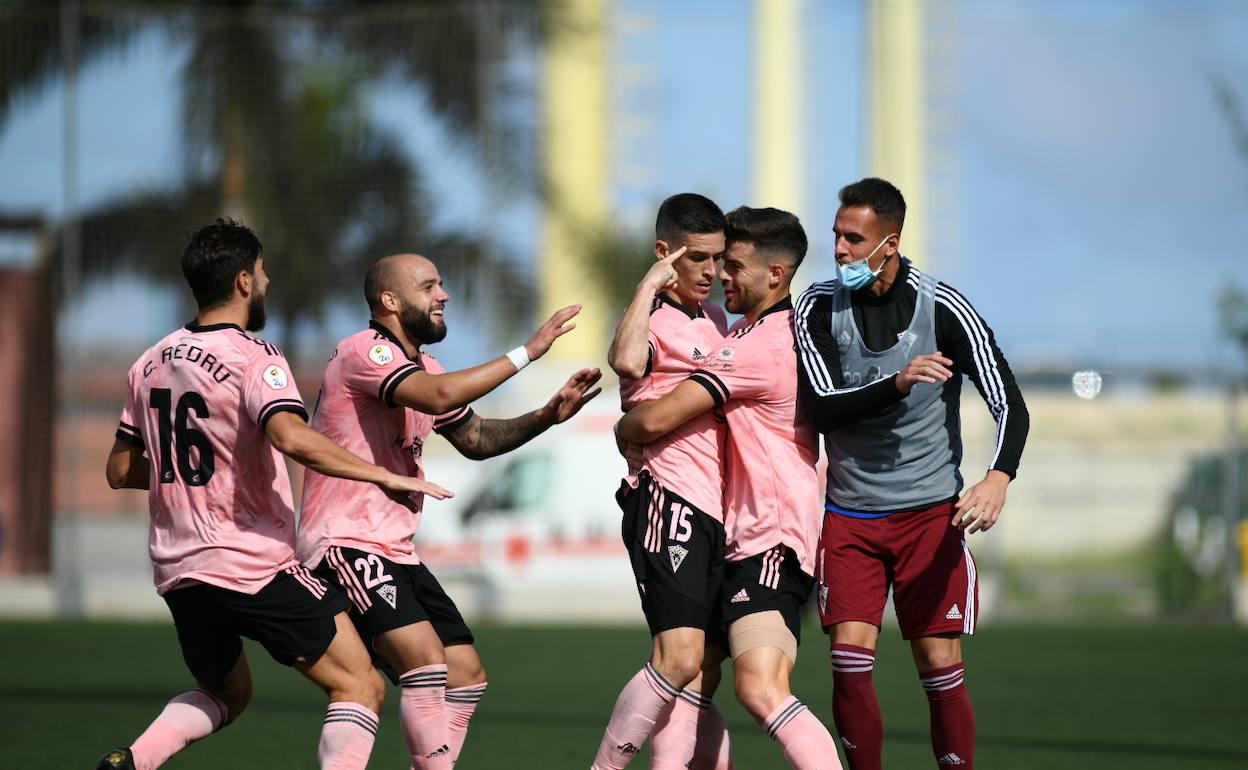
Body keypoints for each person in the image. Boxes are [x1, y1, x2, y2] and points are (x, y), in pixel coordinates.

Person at [98, 218, 448, 770]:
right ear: (242, 281)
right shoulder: (254, 356)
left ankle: (131, 761)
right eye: (261, 273)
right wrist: (381, 474)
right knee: (359, 684)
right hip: (251, 565)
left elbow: (121, 470)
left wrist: (199, 472)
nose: (265, 282)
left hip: (178, 570)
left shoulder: (149, 363)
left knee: (225, 694)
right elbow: (291, 436)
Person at [298, 252, 602, 769]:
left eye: (441, 284)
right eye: (428, 286)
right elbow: (438, 397)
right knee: (424, 662)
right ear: (390, 301)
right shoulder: (364, 352)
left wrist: (546, 416)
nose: (444, 295)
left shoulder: (425, 367)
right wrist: (528, 352)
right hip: (343, 541)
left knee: (465, 674)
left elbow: (477, 438)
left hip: (394, 549)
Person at [793, 177, 1030, 770]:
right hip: (849, 516)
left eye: (854, 238)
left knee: (937, 666)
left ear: (889, 242)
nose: (840, 249)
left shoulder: (943, 308)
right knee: (848, 666)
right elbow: (822, 405)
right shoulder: (817, 305)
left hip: (930, 516)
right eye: (836, 236)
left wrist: (998, 475)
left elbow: (1010, 404)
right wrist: (897, 381)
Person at [618, 206, 843, 770]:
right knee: (692, 678)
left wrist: (626, 428)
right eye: (716, 260)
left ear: (776, 274)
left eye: (733, 264)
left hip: (768, 538)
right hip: (740, 536)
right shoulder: (755, 332)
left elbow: (649, 421)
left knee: (760, 688)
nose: (722, 274)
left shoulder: (758, 345)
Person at [591, 193, 733, 770]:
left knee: (704, 669)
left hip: (720, 509)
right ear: (665, 254)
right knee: (677, 659)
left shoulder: (719, 320)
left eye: (719, 259)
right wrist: (648, 287)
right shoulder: (650, 319)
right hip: (667, 499)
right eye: (698, 258)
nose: (712, 272)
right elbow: (624, 363)